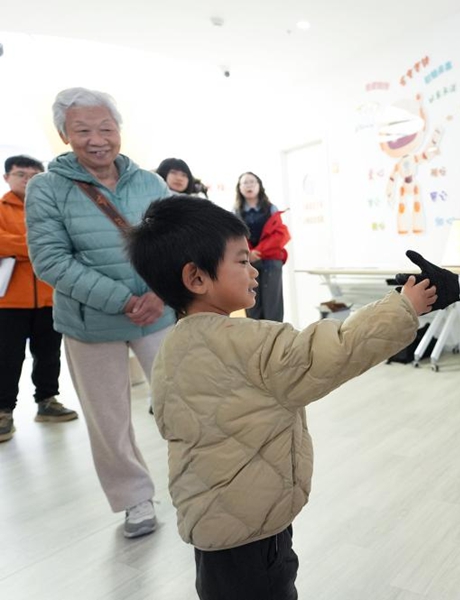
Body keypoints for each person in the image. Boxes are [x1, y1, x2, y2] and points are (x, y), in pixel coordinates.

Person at [125, 195, 435, 600]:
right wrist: (405, 306)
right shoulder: (249, 342)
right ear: (197, 278)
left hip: (211, 521)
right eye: (241, 261)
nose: (254, 270)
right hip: (253, 529)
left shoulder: (173, 347)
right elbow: (335, 350)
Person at [25, 87, 175, 538]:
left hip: (157, 314)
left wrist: (159, 292)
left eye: (106, 128)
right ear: (64, 135)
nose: (97, 140)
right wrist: (122, 300)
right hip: (90, 324)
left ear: (119, 130)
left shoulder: (150, 182)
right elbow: (50, 260)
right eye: (83, 130)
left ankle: (200, 481)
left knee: (183, 401)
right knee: (109, 420)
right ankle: (134, 499)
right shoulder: (46, 188)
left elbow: (176, 242)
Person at [0, 155, 78, 442]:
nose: (27, 180)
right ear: (7, 177)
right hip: (8, 301)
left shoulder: (52, 208)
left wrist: (22, 247)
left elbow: (66, 243)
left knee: (48, 353)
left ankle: (47, 401)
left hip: (50, 296)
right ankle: (3, 411)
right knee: (7, 357)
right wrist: (39, 246)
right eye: (21, 174)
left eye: (34, 175)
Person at [234, 171, 290, 321]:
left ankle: (276, 336)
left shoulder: (271, 209)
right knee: (252, 305)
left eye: (252, 182)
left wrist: (258, 251)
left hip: (271, 260)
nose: (249, 185)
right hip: (247, 262)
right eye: (245, 183)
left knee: (273, 306)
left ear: (259, 186)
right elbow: (234, 238)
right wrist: (249, 254)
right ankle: (256, 337)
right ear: (239, 188)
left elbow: (280, 235)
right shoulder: (235, 212)